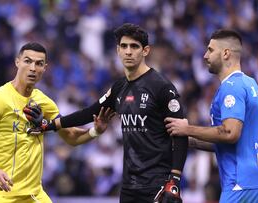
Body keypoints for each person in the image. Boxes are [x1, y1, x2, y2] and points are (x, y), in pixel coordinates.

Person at [24, 23, 188, 203]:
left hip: (157, 184)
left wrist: (175, 179)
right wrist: (48, 125)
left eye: (134, 46)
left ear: (145, 51)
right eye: (124, 46)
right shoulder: (120, 87)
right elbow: (90, 112)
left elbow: (180, 134)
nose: (128, 51)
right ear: (117, 50)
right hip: (128, 185)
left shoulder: (162, 87)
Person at [0, 42, 114, 203]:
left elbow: (70, 136)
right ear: (17, 62)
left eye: (39, 63)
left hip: (33, 194)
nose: (33, 68)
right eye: (28, 61)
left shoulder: (44, 102)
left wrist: (95, 131)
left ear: (45, 68)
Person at [165, 29, 258, 202]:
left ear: (226, 53)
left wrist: (187, 128)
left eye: (210, 50)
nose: (205, 56)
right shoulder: (249, 83)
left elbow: (230, 133)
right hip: (256, 179)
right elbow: (232, 141)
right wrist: (189, 140)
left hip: (239, 183)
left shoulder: (231, 87)